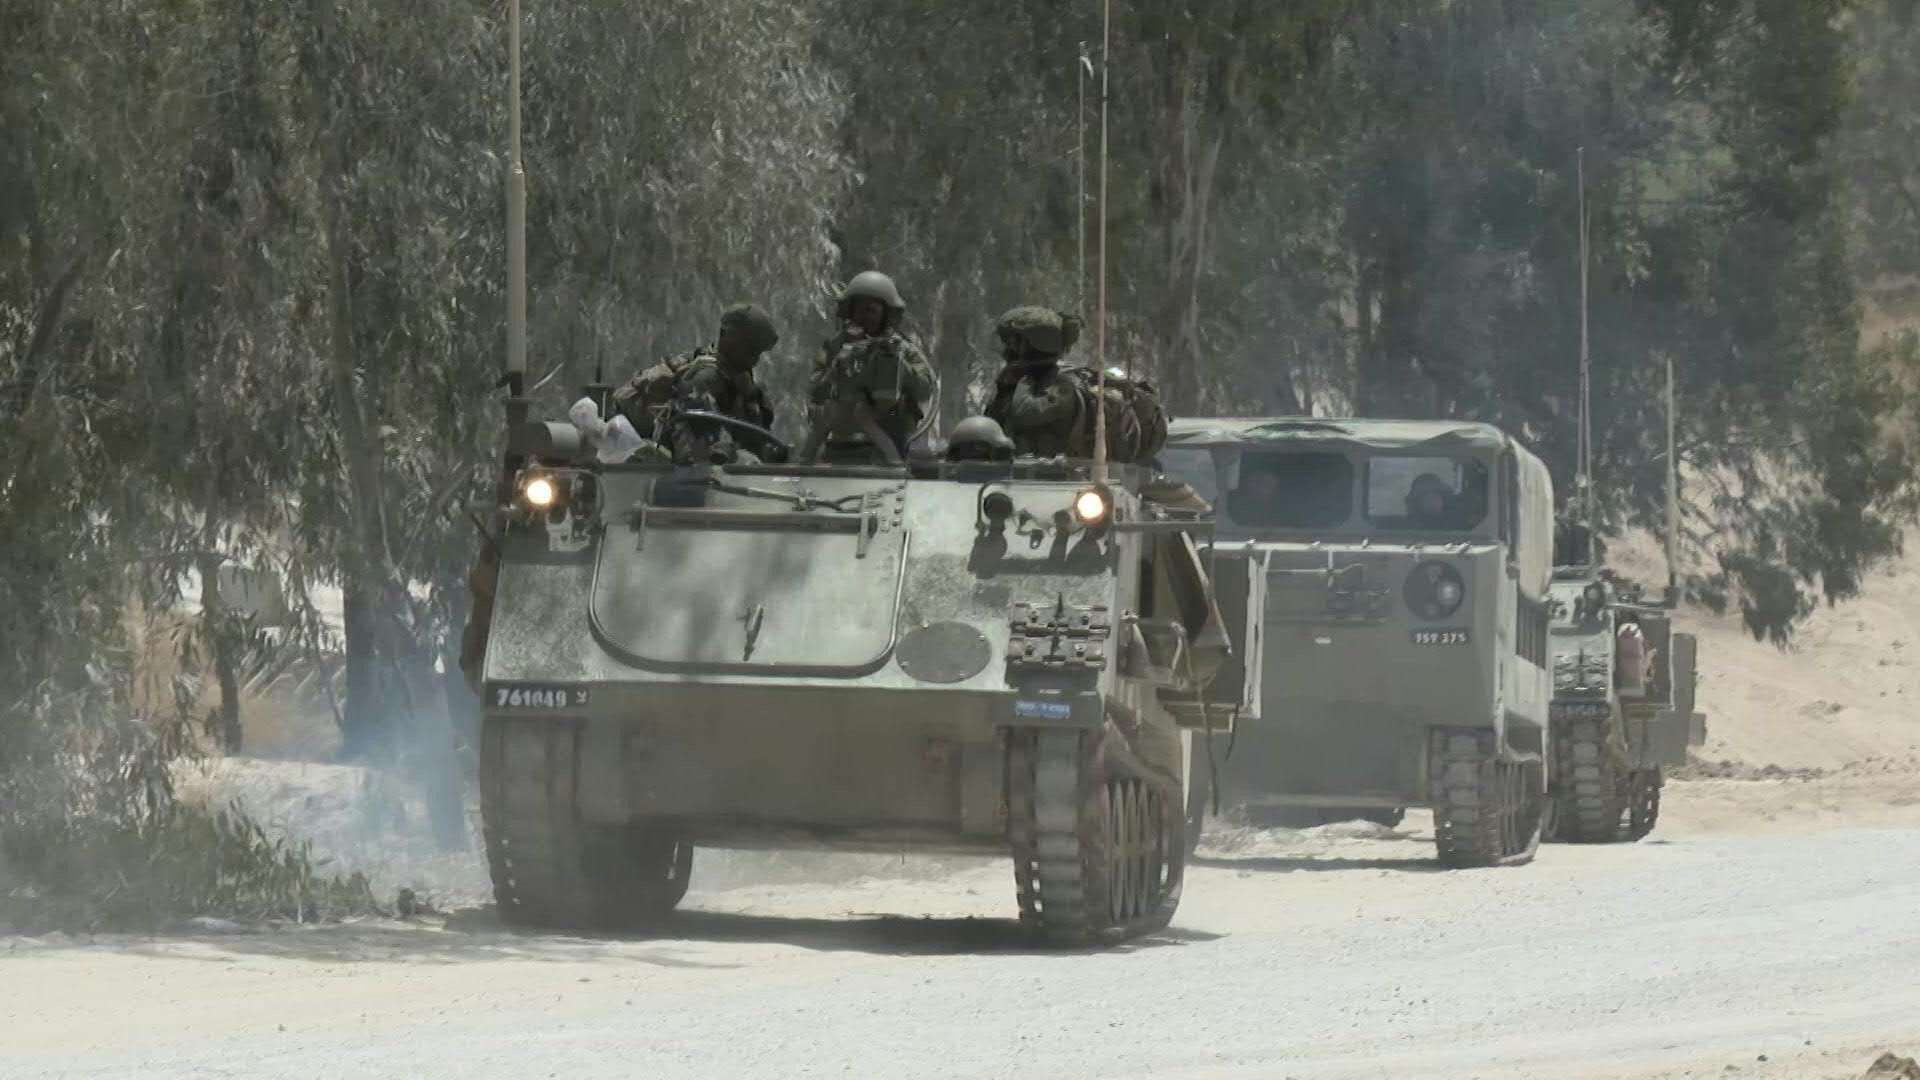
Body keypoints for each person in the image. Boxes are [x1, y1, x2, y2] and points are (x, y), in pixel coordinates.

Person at [611, 303, 783, 464]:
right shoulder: (703, 380)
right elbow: (700, 457)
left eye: (757, 353)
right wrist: (737, 456)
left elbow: (759, 434)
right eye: (749, 350)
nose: (754, 360)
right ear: (725, 337)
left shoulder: (741, 377)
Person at [803, 271, 935, 462]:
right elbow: (814, 391)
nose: (865, 316)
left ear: (885, 314)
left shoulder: (902, 349)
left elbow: (925, 390)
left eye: (871, 310)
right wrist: (836, 368)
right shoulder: (834, 348)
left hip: (890, 443)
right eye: (860, 310)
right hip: (839, 442)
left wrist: (899, 367)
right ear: (850, 311)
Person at [984, 305, 1084, 457]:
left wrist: (1024, 374)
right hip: (1011, 473)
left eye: (1016, 344)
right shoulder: (1017, 384)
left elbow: (1025, 412)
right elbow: (990, 424)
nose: (1009, 350)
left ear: (1034, 346)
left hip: (1051, 476)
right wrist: (1003, 389)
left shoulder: (1063, 386)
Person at [1227, 460, 1287, 526]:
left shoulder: (1276, 516)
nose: (1257, 485)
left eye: (1267, 486)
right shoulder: (1231, 504)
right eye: (1258, 480)